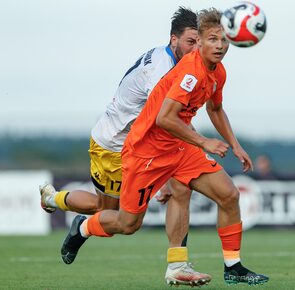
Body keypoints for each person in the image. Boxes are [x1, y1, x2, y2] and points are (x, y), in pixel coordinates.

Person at [60, 8, 269, 286]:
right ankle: (83, 227)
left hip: (179, 148)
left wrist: (235, 145)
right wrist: (204, 141)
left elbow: (215, 108)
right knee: (128, 224)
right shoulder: (190, 72)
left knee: (228, 194)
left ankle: (232, 268)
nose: (219, 46)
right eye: (212, 39)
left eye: (224, 40)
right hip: (146, 152)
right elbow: (164, 118)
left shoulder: (218, 71)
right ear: (202, 42)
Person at [40, 7, 211, 286]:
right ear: (174, 40)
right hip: (113, 146)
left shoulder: (175, 61)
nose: (196, 49)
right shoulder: (162, 71)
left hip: (140, 144)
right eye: (191, 42)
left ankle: (178, 264)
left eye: (199, 43)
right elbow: (167, 121)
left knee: (181, 188)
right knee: (109, 212)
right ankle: (59, 205)